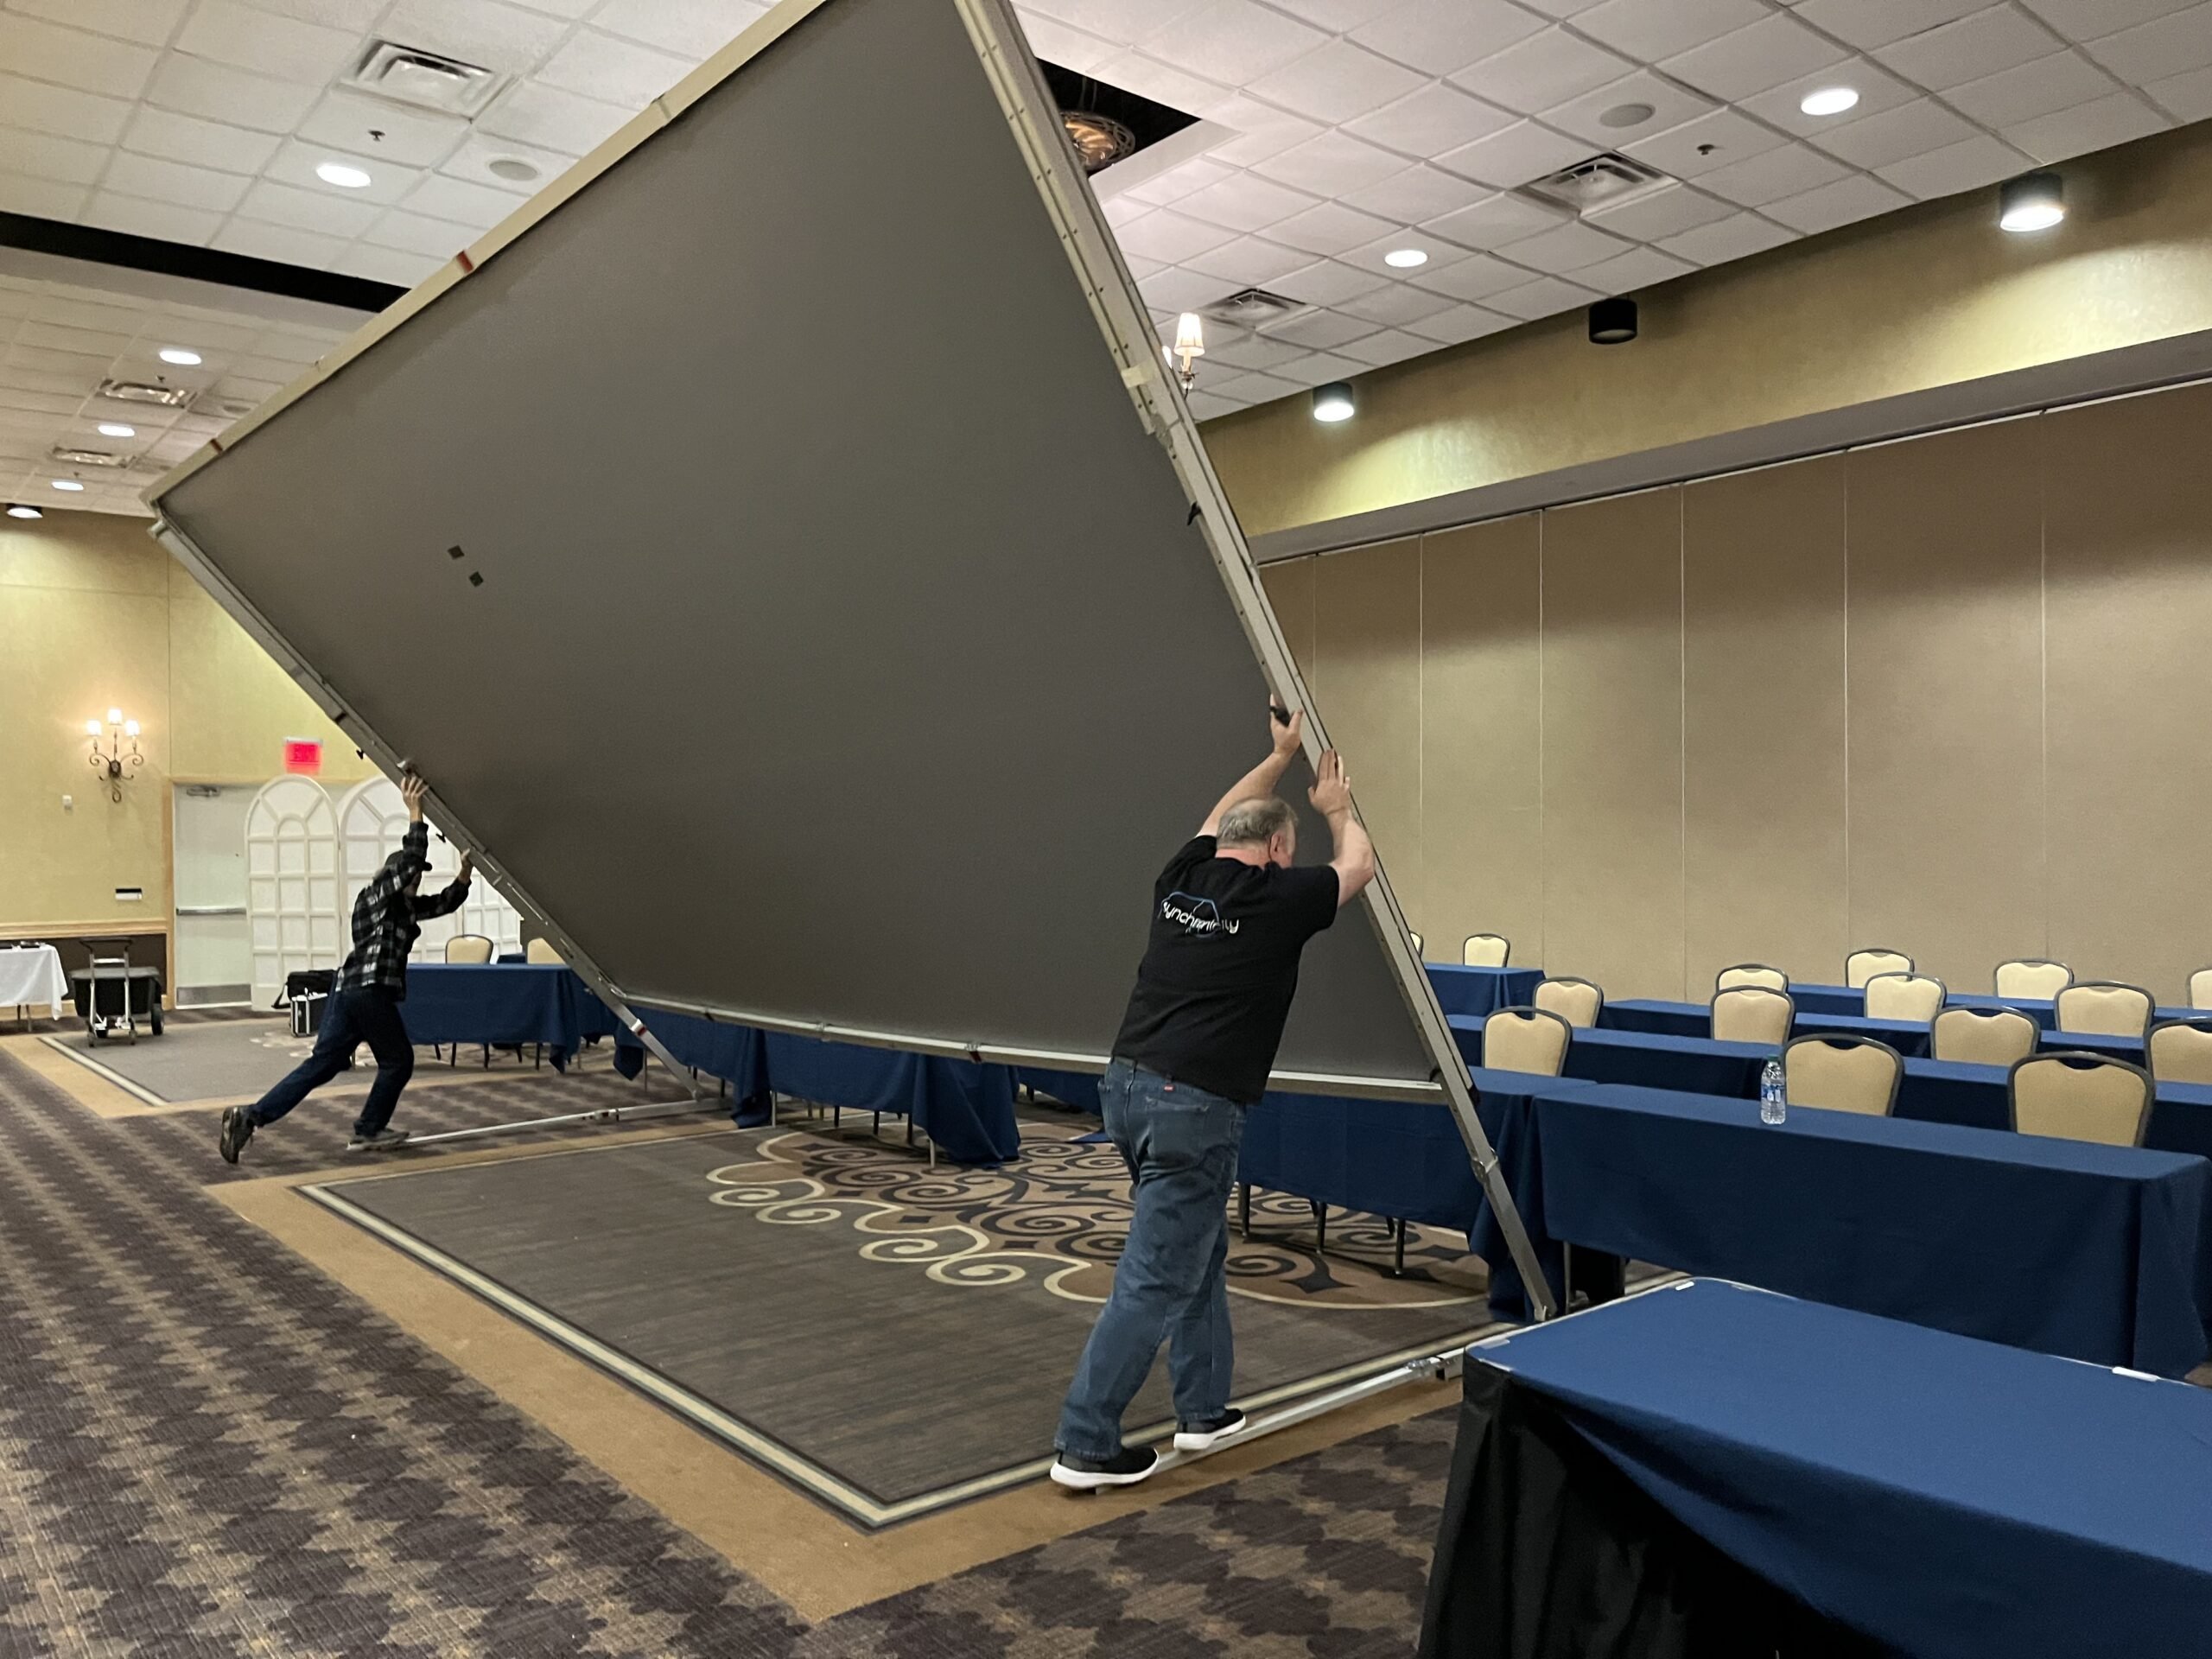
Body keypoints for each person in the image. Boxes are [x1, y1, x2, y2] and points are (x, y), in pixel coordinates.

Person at [1052, 703, 1376, 1490]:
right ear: (1275, 849)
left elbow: (1217, 816)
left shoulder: (1182, 878)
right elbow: (1359, 867)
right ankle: (1086, 1441)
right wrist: (1335, 808)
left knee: (1194, 1248)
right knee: (1157, 1274)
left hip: (1126, 1089)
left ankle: (1204, 1410)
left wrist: (1278, 756)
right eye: (1287, 845)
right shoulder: (1275, 900)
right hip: (1193, 1104)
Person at [219, 773, 473, 1163]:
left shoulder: (403, 908)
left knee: (323, 1064)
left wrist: (465, 872)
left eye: (420, 875)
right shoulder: (375, 896)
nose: (417, 878)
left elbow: (445, 903)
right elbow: (405, 865)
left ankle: (248, 1118)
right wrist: (415, 814)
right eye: (414, 873)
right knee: (399, 1061)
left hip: (350, 992)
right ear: (393, 876)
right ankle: (369, 1129)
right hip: (366, 990)